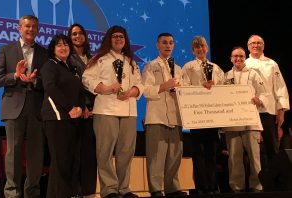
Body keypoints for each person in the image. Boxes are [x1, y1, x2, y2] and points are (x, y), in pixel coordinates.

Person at [82, 25, 143, 198]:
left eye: (121, 37)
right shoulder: (99, 59)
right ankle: (109, 189)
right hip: (106, 109)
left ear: (125, 41)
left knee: (126, 151)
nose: (118, 39)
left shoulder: (130, 61)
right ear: (109, 39)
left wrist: (133, 91)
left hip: (129, 110)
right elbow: (87, 78)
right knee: (105, 151)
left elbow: (140, 83)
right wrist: (105, 88)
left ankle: (124, 188)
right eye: (115, 36)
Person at [0, 15, 47, 198]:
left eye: (34, 26)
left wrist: (34, 80)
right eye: (27, 26)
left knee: (35, 154)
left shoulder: (44, 53)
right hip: (13, 106)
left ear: (37, 30)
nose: (30, 29)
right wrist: (15, 76)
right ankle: (12, 193)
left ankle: (32, 192)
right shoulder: (6, 50)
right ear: (19, 28)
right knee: (13, 153)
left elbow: (47, 82)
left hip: (36, 108)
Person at [141, 33, 187, 197]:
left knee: (175, 154)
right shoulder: (150, 66)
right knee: (156, 155)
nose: (168, 46)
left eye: (171, 43)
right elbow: (145, 91)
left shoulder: (179, 69)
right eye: (164, 43)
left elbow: (186, 92)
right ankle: (156, 188)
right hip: (156, 116)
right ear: (157, 45)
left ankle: (172, 187)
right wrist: (164, 86)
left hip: (175, 116)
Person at [40, 34, 85, 198]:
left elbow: (80, 91)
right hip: (56, 118)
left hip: (73, 119)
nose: (63, 47)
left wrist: (80, 107)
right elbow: (51, 88)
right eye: (59, 45)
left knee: (71, 161)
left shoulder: (72, 68)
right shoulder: (49, 66)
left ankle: (70, 194)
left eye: (66, 44)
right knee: (60, 163)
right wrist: (69, 108)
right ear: (52, 49)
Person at [181, 35, 224, 194]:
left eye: (202, 46)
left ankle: (212, 185)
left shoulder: (216, 68)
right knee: (198, 153)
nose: (200, 49)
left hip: (212, 117)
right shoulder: (188, 67)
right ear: (193, 50)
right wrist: (201, 87)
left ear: (207, 48)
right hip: (197, 116)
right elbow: (184, 88)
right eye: (197, 47)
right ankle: (201, 186)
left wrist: (215, 86)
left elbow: (224, 87)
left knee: (211, 153)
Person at [223, 46, 267, 193]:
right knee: (234, 158)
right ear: (231, 59)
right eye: (235, 56)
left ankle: (256, 186)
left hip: (251, 122)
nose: (238, 59)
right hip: (232, 124)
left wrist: (259, 100)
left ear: (245, 58)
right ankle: (237, 187)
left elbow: (264, 93)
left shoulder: (253, 74)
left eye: (241, 56)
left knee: (255, 158)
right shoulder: (226, 76)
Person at [245, 35, 290, 169]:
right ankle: (256, 183)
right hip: (250, 111)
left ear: (263, 46)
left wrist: (281, 111)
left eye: (259, 43)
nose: (256, 45)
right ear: (248, 47)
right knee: (253, 150)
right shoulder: (245, 64)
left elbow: (280, 87)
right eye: (253, 43)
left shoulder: (272, 64)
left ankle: (275, 182)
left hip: (269, 111)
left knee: (272, 147)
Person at [68, 23, 98, 198]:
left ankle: (89, 192)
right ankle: (74, 192)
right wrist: (83, 106)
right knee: (75, 155)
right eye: (73, 34)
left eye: (80, 33)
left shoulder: (93, 58)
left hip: (94, 112)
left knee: (90, 156)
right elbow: (73, 85)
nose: (77, 36)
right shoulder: (68, 58)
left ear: (85, 37)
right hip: (76, 111)